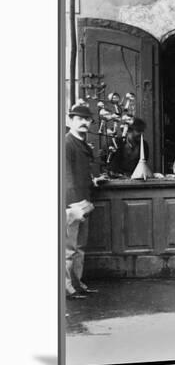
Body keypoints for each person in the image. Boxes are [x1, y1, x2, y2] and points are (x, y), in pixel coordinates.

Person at [65, 104, 104, 299]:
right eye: (79, 118)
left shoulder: (80, 143)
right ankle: (66, 288)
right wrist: (73, 203)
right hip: (73, 204)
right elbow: (66, 175)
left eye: (87, 119)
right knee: (69, 249)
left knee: (79, 248)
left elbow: (81, 173)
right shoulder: (66, 143)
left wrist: (92, 181)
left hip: (83, 200)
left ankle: (77, 285)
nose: (84, 122)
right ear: (70, 120)